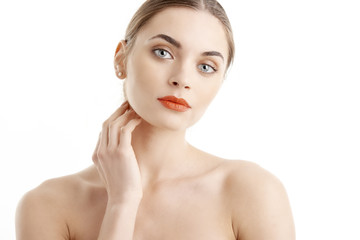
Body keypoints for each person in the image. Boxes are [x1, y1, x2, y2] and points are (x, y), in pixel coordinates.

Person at [15, 0, 295, 239]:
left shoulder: (253, 192)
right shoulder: (47, 205)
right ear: (121, 59)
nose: (182, 79)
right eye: (163, 52)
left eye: (206, 67)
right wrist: (122, 204)